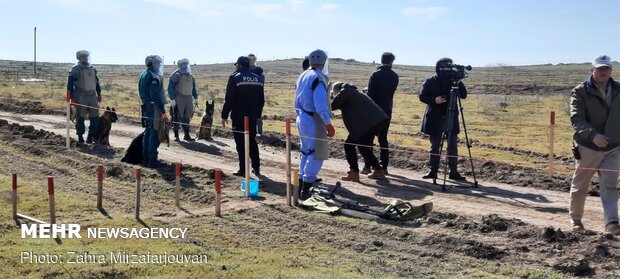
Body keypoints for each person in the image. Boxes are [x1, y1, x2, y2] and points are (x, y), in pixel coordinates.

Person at [569, 55, 620, 235]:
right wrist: (593, 135)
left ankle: (612, 223)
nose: (603, 72)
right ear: (592, 70)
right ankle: (576, 220)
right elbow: (576, 119)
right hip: (588, 147)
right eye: (599, 69)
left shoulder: (618, 90)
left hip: (613, 147)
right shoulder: (580, 91)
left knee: (610, 185)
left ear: (611, 71)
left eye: (606, 68)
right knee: (581, 184)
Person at [295, 49, 335, 200]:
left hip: (302, 117)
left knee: (305, 151)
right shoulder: (318, 78)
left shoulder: (303, 75)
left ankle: (300, 184)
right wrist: (328, 124)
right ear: (323, 61)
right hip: (313, 119)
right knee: (316, 153)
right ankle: (306, 188)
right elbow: (320, 104)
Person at [419, 57, 467, 181]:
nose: (448, 70)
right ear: (439, 68)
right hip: (435, 118)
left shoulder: (454, 80)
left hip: (451, 117)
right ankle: (433, 171)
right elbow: (422, 96)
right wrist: (434, 100)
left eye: (450, 67)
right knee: (435, 146)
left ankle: (453, 172)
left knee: (452, 146)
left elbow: (464, 95)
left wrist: (458, 81)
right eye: (445, 67)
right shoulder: (430, 80)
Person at [331, 82, 389, 181]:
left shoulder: (345, 92)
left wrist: (327, 100)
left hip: (367, 123)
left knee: (349, 146)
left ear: (337, 91)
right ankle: (378, 171)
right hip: (376, 121)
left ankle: (354, 172)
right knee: (363, 147)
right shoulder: (353, 91)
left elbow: (333, 106)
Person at [221, 56, 265, 177]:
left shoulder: (234, 77)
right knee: (251, 140)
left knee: (240, 142)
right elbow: (261, 100)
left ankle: (243, 169)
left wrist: (224, 115)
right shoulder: (258, 78)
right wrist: (258, 115)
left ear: (239, 65)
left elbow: (229, 99)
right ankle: (256, 167)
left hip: (239, 116)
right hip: (253, 115)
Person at [362, 52, 399, 175]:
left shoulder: (375, 75)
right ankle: (384, 166)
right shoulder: (395, 76)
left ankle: (368, 165)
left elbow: (371, 95)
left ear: (381, 60)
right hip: (387, 110)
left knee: (369, 139)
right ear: (391, 62)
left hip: (373, 111)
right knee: (383, 139)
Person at [139, 55, 169, 168]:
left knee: (148, 131)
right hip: (153, 107)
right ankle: (152, 159)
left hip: (146, 106)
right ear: (151, 64)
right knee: (154, 132)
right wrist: (162, 110)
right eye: (157, 63)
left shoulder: (143, 74)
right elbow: (155, 96)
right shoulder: (153, 77)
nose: (159, 65)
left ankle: (146, 158)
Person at [66, 50, 102, 145]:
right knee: (80, 117)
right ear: (79, 58)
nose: (85, 58)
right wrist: (71, 97)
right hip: (80, 96)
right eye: (83, 56)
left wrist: (99, 94)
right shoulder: (74, 70)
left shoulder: (92, 69)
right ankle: (80, 137)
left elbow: (96, 82)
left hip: (92, 96)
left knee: (95, 117)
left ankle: (90, 136)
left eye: (86, 56)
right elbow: (70, 85)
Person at [168, 58, 198, 141]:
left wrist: (196, 97)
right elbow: (170, 87)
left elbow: (193, 87)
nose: (185, 66)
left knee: (187, 116)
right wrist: (172, 99)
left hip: (188, 98)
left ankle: (187, 135)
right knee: (177, 116)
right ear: (180, 65)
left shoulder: (191, 76)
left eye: (186, 64)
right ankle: (176, 135)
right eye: (183, 64)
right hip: (179, 97)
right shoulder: (176, 75)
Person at [248, 53, 265, 136]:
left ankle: (260, 132)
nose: (251, 61)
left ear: (255, 60)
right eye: (249, 59)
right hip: (248, 96)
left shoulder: (259, 70)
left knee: (259, 113)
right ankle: (251, 131)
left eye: (253, 59)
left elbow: (262, 81)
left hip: (259, 95)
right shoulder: (245, 70)